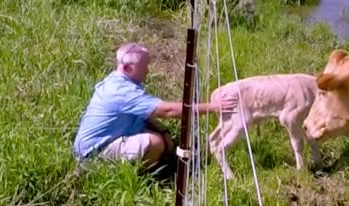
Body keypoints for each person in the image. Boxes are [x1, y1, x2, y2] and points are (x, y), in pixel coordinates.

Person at [73, 42, 237, 172]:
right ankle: (132, 174)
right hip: (93, 154)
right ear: (126, 68)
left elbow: (145, 113)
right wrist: (214, 107)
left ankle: (145, 162)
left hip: (104, 140)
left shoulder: (117, 80)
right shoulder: (123, 92)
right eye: (144, 67)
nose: (148, 71)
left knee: (163, 137)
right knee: (156, 143)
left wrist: (164, 130)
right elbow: (168, 111)